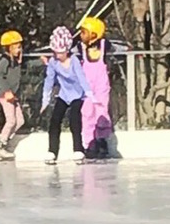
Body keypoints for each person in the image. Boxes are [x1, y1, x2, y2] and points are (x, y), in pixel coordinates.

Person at [39, 25, 85, 165]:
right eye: (55, 52)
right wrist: (45, 100)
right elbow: (49, 81)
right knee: (55, 120)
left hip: (78, 94)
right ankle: (52, 151)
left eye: (60, 52)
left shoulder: (75, 61)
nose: (57, 55)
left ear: (66, 50)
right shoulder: (53, 62)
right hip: (64, 94)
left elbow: (82, 79)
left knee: (74, 119)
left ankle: (78, 149)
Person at [77, 14, 118, 160]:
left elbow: (117, 48)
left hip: (101, 84)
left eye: (84, 32)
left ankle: (102, 139)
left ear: (94, 34)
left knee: (101, 110)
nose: (81, 35)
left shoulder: (104, 45)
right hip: (86, 85)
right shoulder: (79, 47)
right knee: (87, 112)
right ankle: (89, 142)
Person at [0, 30, 29, 158]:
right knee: (11, 120)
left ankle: (2, 141)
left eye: (19, 47)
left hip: (13, 95)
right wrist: (6, 90)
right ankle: (0, 145)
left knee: (20, 121)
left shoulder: (16, 60)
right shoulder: (5, 60)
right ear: (9, 48)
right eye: (16, 47)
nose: (19, 49)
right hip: (5, 95)